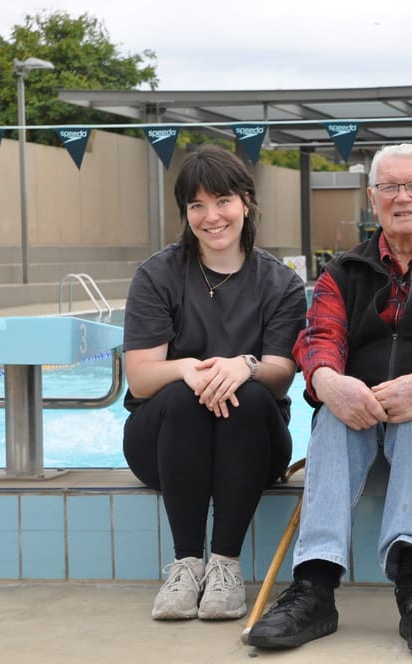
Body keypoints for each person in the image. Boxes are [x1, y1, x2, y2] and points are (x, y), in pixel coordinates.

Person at [246, 143, 412, 652]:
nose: (403, 198)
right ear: (372, 199)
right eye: (390, 187)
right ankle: (314, 588)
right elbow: (319, 338)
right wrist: (328, 381)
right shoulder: (342, 272)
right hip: (362, 432)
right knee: (331, 414)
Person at [121, 145, 307, 621]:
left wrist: (245, 364)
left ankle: (224, 565)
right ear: (186, 213)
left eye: (222, 201)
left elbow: (282, 373)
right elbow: (141, 380)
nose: (211, 217)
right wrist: (187, 368)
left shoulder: (280, 283)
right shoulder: (157, 275)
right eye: (196, 206)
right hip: (163, 442)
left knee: (245, 392)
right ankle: (186, 565)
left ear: (246, 201)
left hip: (253, 444)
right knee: (184, 395)